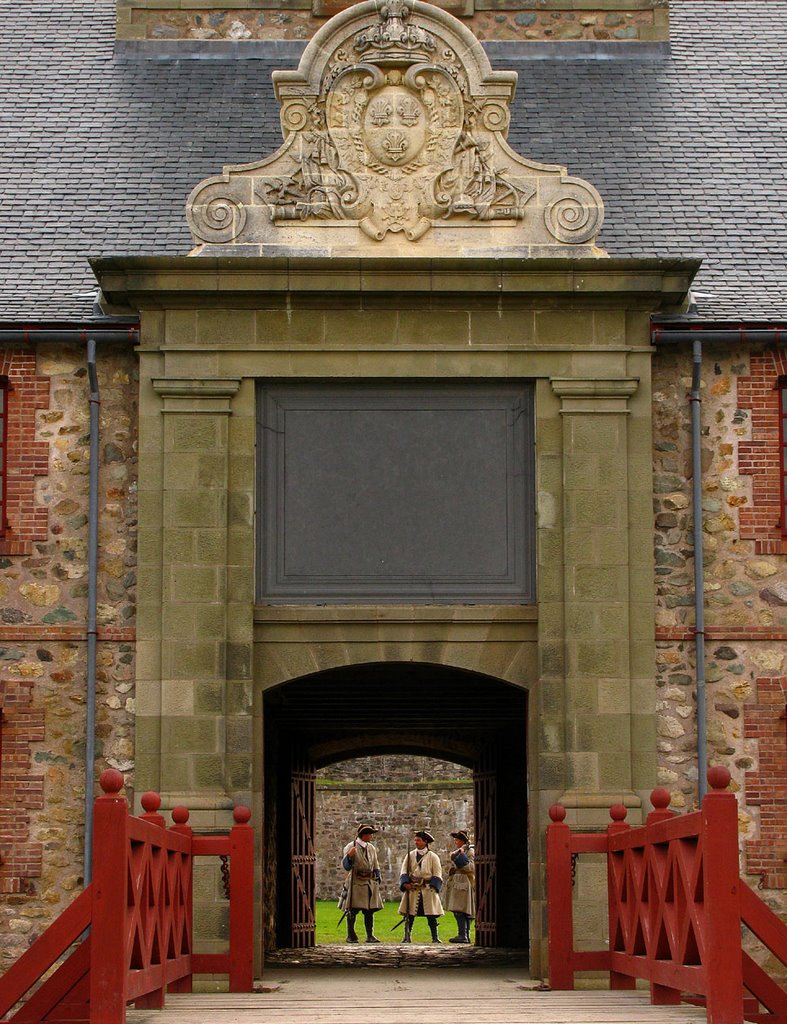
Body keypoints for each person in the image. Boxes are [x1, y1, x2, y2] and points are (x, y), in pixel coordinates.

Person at [398, 828, 444, 943]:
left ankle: (435, 937)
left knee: (431, 915)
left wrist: (432, 886)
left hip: (427, 890)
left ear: (425, 842)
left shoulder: (433, 857)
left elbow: (437, 874)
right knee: (409, 915)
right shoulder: (410, 855)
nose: (416, 842)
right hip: (413, 889)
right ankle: (406, 936)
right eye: (415, 840)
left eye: (418, 840)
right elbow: (404, 871)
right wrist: (405, 883)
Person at [340, 824, 383, 943]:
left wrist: (378, 876)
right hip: (356, 882)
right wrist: (349, 856)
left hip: (369, 882)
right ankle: (350, 935)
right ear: (363, 835)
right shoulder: (351, 846)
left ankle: (370, 935)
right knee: (352, 910)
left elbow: (375, 864)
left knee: (369, 911)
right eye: (369, 834)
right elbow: (346, 866)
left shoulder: (371, 848)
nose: (371, 837)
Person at [444, 829, 475, 944]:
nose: (455, 842)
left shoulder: (470, 852)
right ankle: (464, 934)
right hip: (457, 881)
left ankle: (463, 935)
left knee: (461, 909)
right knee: (459, 910)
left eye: (457, 840)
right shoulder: (459, 851)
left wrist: (460, 859)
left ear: (462, 841)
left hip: (464, 882)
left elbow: (471, 868)